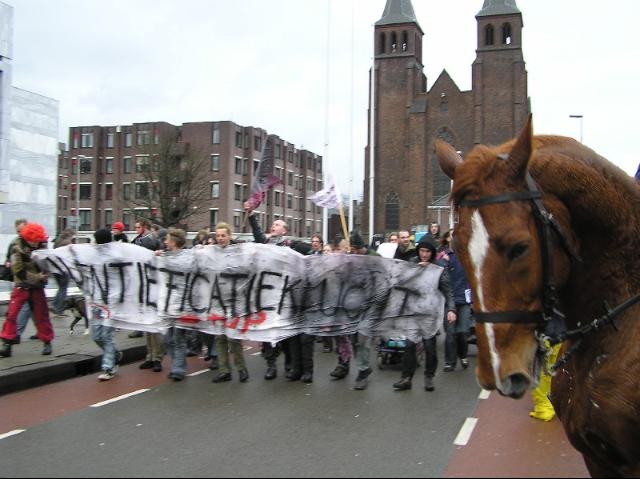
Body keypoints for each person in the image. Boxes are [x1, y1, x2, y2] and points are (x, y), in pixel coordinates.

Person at [244, 203, 304, 380]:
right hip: (267, 295)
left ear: (284, 231)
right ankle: (270, 364)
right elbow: (258, 235)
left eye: (277, 224)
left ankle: (289, 364)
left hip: (285, 296)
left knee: (284, 331)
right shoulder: (266, 244)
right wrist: (252, 216)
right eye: (273, 224)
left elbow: (310, 257)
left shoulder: (292, 245)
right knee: (267, 331)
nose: (273, 226)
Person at [393, 236, 456, 392]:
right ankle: (406, 378)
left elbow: (448, 290)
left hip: (430, 313)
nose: (424, 254)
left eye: (428, 251)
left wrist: (451, 310)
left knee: (429, 347)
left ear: (432, 252)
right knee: (409, 345)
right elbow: (402, 282)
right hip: (414, 311)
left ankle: (429, 376)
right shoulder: (413, 262)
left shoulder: (439, 266)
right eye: (422, 250)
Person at [0, 223, 54, 358]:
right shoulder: (16, 248)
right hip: (21, 285)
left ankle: (47, 342)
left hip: (37, 287)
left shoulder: (42, 245)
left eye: (38, 242)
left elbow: (47, 263)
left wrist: (45, 274)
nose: (36, 245)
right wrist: (37, 277)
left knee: (42, 315)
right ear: (27, 238)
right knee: (11, 315)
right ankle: (7, 343)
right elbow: (18, 271)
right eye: (34, 242)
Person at [211, 223, 249, 384]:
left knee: (233, 338)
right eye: (218, 236)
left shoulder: (237, 253)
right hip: (218, 300)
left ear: (229, 236)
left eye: (223, 235)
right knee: (220, 338)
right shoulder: (211, 253)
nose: (220, 238)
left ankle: (241, 369)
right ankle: (224, 370)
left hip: (234, 301)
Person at [156, 228, 190, 382]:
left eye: (167, 239)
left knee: (178, 338)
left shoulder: (188, 258)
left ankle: (178, 369)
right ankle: (178, 363)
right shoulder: (164, 257)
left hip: (182, 305)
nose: (164, 242)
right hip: (167, 305)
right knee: (166, 339)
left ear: (174, 241)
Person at [349, 232, 381, 391]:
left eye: (356, 249)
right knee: (353, 339)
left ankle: (362, 371)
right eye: (352, 249)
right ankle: (364, 365)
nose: (354, 252)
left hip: (371, 305)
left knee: (363, 338)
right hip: (353, 305)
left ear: (362, 248)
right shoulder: (350, 259)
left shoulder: (375, 257)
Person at [91, 229, 123, 381]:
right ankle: (116, 355)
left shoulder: (115, 257)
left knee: (107, 335)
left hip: (111, 302)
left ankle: (108, 367)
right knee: (96, 335)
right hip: (97, 302)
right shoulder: (93, 256)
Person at [133, 218, 164, 371]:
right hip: (144, 291)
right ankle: (150, 356)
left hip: (155, 293)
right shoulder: (141, 255)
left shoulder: (156, 253)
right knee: (147, 325)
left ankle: (157, 357)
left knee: (154, 327)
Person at [440, 232, 473, 372]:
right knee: (451, 333)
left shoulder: (468, 257)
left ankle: (463, 355)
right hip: (449, 301)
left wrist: (473, 299)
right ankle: (450, 362)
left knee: (464, 332)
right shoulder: (444, 257)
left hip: (465, 300)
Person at [51, 229, 75, 316]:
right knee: (63, 289)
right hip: (63, 268)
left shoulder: (57, 241)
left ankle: (55, 305)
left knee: (61, 288)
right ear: (70, 235)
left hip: (55, 268)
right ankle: (59, 309)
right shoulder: (67, 243)